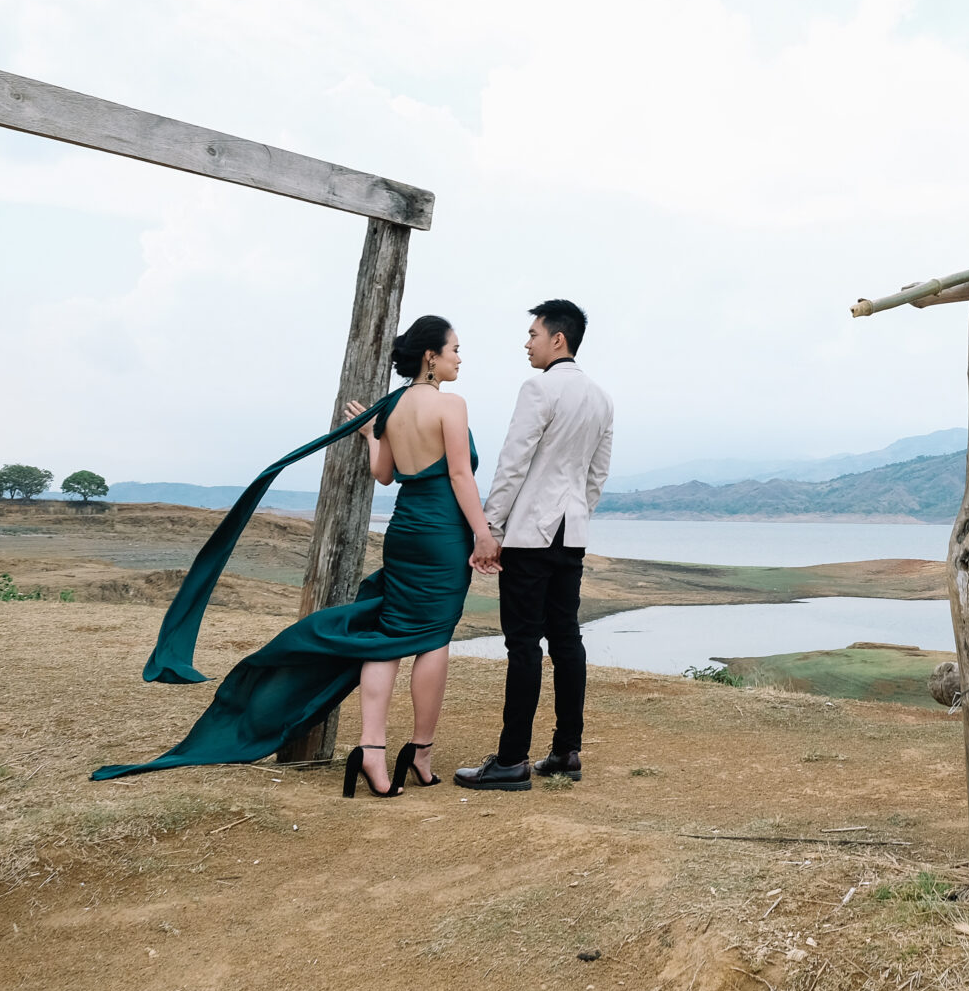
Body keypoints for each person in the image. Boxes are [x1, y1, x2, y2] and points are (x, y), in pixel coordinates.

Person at [91, 315, 498, 791]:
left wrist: (372, 437)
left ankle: (371, 751)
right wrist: (482, 534)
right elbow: (459, 475)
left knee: (388, 637)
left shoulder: (390, 410)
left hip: (404, 531)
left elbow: (384, 476)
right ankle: (420, 753)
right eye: (454, 349)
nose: (459, 358)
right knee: (433, 638)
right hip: (442, 533)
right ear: (431, 355)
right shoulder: (451, 405)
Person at [454, 299, 613, 791]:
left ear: (557, 339)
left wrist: (491, 530)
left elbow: (513, 462)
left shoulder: (539, 388)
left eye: (533, 334)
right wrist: (576, 514)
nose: (527, 344)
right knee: (567, 640)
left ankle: (511, 761)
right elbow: (596, 475)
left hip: (529, 536)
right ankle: (566, 751)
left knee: (523, 644)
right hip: (571, 534)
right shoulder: (602, 398)